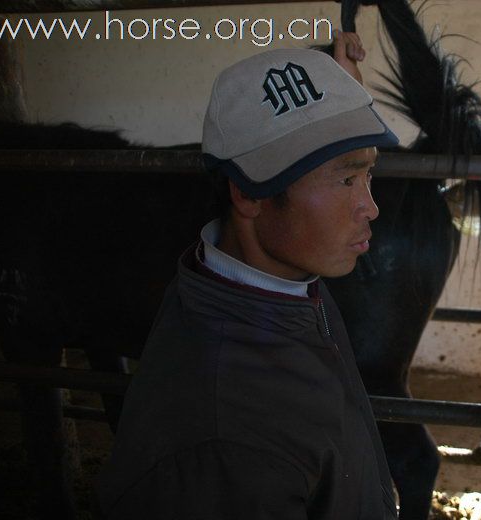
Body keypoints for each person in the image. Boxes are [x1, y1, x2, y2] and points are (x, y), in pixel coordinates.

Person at [96, 31, 400, 519]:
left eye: (369, 175)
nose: (371, 207)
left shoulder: (273, 284)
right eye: (346, 179)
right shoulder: (225, 447)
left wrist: (337, 97)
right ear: (249, 195)